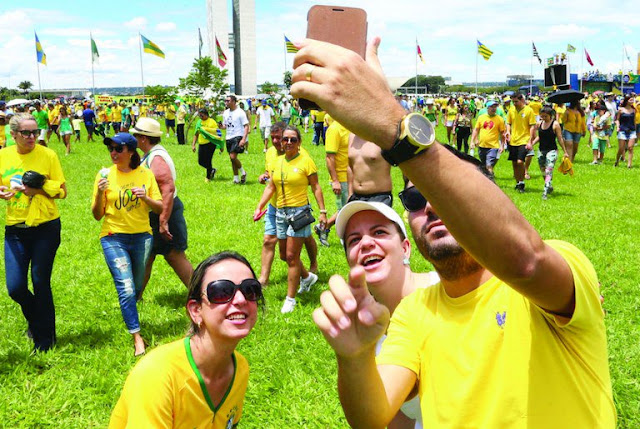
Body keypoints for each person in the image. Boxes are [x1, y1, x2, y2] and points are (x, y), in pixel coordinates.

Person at [293, 37, 615, 428]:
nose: (429, 205)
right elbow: (372, 418)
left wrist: (390, 123)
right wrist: (355, 357)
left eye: (444, 197)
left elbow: (526, 263)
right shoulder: (415, 312)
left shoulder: (556, 263)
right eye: (413, 201)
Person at [108, 251, 261, 428]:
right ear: (196, 310)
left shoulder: (240, 368)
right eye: (222, 291)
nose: (241, 299)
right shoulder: (159, 375)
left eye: (251, 289)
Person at [335, 201, 440, 429]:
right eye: (354, 240)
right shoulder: (362, 333)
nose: (366, 243)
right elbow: (393, 421)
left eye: (379, 232)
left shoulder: (447, 290)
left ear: (405, 248)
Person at [0, 113, 67, 352]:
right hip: (15, 229)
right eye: (26, 133)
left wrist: (36, 189)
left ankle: (45, 338)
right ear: (13, 134)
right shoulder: (3, 155)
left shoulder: (48, 155)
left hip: (45, 227)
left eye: (35, 132)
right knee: (16, 288)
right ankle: (36, 321)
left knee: (40, 282)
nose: (32, 137)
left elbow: (62, 191)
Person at [91, 132, 162, 357]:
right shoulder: (104, 175)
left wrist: (146, 198)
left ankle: (131, 309)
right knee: (126, 286)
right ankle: (137, 337)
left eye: (118, 149)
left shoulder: (146, 174)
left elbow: (159, 208)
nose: (113, 153)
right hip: (113, 237)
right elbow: (96, 215)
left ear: (131, 152)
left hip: (142, 236)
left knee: (137, 285)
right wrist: (101, 193)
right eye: (110, 149)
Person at [255, 125, 326, 313]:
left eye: (292, 140)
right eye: (285, 139)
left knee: (292, 257)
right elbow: (271, 186)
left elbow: (316, 186)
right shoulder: (277, 162)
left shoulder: (306, 161)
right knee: (284, 255)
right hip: (280, 213)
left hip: (299, 213)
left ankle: (290, 299)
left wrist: (323, 211)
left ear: (299, 142)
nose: (287, 143)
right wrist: (260, 205)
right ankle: (308, 277)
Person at [132, 118, 194, 295]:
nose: (134, 138)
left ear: (144, 138)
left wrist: (163, 220)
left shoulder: (156, 157)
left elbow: (167, 188)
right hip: (156, 213)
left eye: (136, 135)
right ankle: (135, 298)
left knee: (174, 254)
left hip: (166, 212)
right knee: (146, 256)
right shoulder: (151, 154)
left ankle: (201, 295)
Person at [314, 119, 350, 247]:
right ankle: (346, 240)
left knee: (347, 208)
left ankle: (324, 227)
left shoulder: (351, 127)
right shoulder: (335, 129)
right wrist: (335, 181)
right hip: (341, 178)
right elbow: (329, 157)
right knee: (346, 210)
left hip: (353, 176)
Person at [531, 105, 568, 200]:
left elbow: (560, 138)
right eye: (541, 116)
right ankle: (549, 185)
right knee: (543, 170)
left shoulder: (555, 125)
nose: (543, 118)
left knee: (549, 170)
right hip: (541, 150)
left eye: (545, 116)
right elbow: (540, 137)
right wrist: (532, 144)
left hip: (552, 150)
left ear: (551, 115)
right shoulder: (539, 124)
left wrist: (565, 151)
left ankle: (545, 191)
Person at [506, 92, 536, 193]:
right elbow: (509, 123)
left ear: (522, 100)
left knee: (520, 161)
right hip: (513, 140)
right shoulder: (511, 110)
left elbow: (532, 126)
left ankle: (522, 181)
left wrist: (530, 140)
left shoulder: (529, 110)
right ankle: (518, 182)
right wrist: (508, 132)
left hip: (524, 139)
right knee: (514, 163)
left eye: (516, 101)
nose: (514, 103)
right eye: (513, 101)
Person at [471, 100, 505, 176]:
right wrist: (473, 141)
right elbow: (476, 130)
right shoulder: (481, 118)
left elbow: (502, 133)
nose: (494, 109)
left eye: (495, 107)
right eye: (492, 107)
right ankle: (488, 176)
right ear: (487, 108)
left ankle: (490, 180)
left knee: (489, 164)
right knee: (483, 165)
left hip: (493, 146)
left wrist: (502, 145)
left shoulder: (500, 119)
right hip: (482, 145)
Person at [221, 95, 249, 184]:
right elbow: (225, 126)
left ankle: (243, 172)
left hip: (237, 136)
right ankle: (236, 178)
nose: (226, 102)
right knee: (232, 159)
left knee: (232, 157)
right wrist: (221, 126)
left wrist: (244, 139)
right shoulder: (225, 113)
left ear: (233, 102)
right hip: (228, 136)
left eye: (228, 101)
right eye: (225, 101)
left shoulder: (240, 112)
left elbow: (246, 126)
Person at [192, 108, 223, 182]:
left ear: (206, 115)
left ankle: (208, 177)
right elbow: (196, 134)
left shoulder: (212, 122)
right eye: (199, 115)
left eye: (202, 115)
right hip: (201, 144)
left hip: (210, 144)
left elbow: (217, 134)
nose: (200, 117)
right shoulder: (199, 122)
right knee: (200, 162)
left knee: (208, 160)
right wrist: (193, 145)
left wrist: (220, 146)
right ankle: (212, 170)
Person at [614, 95, 637, 168]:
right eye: (630, 100)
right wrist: (617, 127)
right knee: (621, 148)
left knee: (630, 148)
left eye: (632, 100)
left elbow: (634, 121)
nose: (632, 101)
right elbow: (617, 119)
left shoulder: (634, 110)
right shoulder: (621, 110)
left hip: (632, 130)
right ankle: (617, 161)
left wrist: (635, 130)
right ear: (626, 101)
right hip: (622, 130)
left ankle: (629, 164)